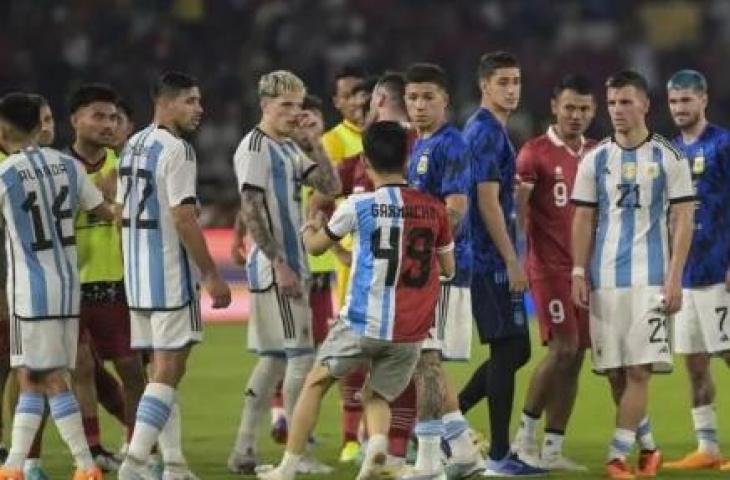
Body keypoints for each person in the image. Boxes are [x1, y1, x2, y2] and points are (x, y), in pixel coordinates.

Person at [258, 120, 455, 480]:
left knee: (316, 382)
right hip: (409, 332)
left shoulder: (359, 204)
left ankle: (286, 469)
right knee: (376, 394)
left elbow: (316, 247)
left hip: (363, 321)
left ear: (365, 161)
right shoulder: (434, 208)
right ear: (407, 159)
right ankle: (377, 446)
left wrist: (311, 226)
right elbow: (448, 267)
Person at [571, 70, 695, 479]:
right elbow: (584, 219)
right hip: (605, 281)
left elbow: (683, 219)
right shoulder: (596, 158)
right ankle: (649, 448)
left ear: (645, 104)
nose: (617, 111)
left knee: (640, 370)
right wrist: (577, 270)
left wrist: (675, 277)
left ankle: (616, 457)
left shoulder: (668, 156)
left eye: (626, 102)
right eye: (612, 104)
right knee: (614, 374)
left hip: (651, 280)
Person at [117, 72, 231, 480]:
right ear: (165, 103)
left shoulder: (131, 145)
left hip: (137, 278)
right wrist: (212, 274)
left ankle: (175, 464)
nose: (199, 109)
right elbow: (183, 217)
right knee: (168, 371)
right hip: (168, 275)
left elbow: (120, 214)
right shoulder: (177, 150)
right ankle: (134, 463)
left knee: (159, 375)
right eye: (190, 101)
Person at [227, 70, 340, 475]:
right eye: (285, 106)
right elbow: (251, 208)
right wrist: (279, 263)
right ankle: (298, 454)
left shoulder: (288, 147)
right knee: (300, 357)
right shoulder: (255, 148)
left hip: (289, 263)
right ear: (265, 106)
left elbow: (331, 183)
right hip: (279, 265)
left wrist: (314, 142)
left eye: (299, 105)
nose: (295, 113)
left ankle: (243, 448)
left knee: (274, 359)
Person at [0, 91, 115, 480]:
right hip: (68, 290)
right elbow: (106, 211)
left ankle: (85, 465)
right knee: (33, 379)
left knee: (47, 380)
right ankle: (15, 465)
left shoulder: (5, 174)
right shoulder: (69, 166)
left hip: (30, 294)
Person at [458, 51, 543, 476]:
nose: (512, 89)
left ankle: (448, 419)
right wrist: (512, 260)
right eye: (503, 82)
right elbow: (487, 201)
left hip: (485, 255)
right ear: (484, 86)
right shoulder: (487, 133)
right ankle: (497, 457)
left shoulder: (486, 130)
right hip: (488, 258)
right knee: (509, 348)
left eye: (516, 81)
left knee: (513, 348)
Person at [511, 74, 597, 471]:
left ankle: (552, 447)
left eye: (583, 109)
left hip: (585, 271)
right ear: (554, 107)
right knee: (562, 349)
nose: (576, 115)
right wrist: (520, 260)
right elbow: (520, 212)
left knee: (576, 355)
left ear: (592, 110)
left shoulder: (598, 154)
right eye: (569, 108)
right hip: (548, 268)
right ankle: (523, 438)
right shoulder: (534, 153)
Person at [399, 62, 481, 479]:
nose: (419, 105)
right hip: (424, 269)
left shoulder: (452, 145)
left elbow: (456, 209)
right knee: (425, 359)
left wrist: (429, 253)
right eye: (412, 97)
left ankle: (429, 461)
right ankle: (464, 450)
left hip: (441, 268)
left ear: (445, 100)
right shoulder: (416, 143)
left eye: (428, 97)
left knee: (425, 360)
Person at [67, 83, 146, 468]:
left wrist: (116, 199)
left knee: (132, 368)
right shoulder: (59, 167)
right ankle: (93, 451)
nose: (108, 124)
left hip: (119, 283)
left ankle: (135, 450)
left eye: (114, 117)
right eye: (98, 115)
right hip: (71, 285)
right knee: (79, 367)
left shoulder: (129, 165)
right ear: (75, 120)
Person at [662, 69, 730, 471]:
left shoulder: (723, 144)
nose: (680, 108)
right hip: (686, 275)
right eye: (673, 101)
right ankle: (708, 447)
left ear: (703, 99)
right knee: (695, 361)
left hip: (719, 269)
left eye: (687, 100)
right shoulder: (668, 152)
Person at [321, 65, 369, 463]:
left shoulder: (388, 138)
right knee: (351, 354)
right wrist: (340, 253)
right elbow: (317, 202)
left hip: (383, 262)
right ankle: (351, 437)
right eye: (350, 94)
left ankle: (377, 434)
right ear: (338, 102)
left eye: (363, 94)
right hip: (352, 265)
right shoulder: (333, 142)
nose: (358, 101)